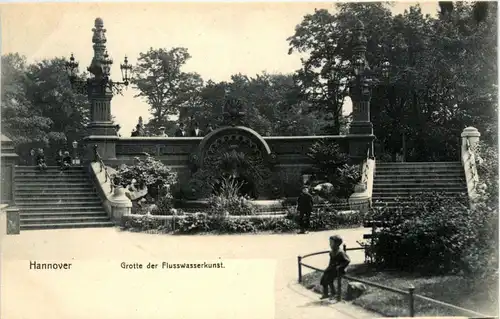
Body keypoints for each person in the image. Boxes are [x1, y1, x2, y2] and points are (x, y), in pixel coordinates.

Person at [320, 235, 350, 300]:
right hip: (333, 268)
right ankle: (326, 293)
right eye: (329, 243)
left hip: (340, 270)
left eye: (331, 243)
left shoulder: (340, 252)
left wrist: (340, 266)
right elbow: (330, 262)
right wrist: (327, 268)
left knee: (329, 278)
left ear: (337, 244)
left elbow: (347, 261)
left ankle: (334, 294)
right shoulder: (331, 252)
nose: (330, 244)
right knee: (324, 278)